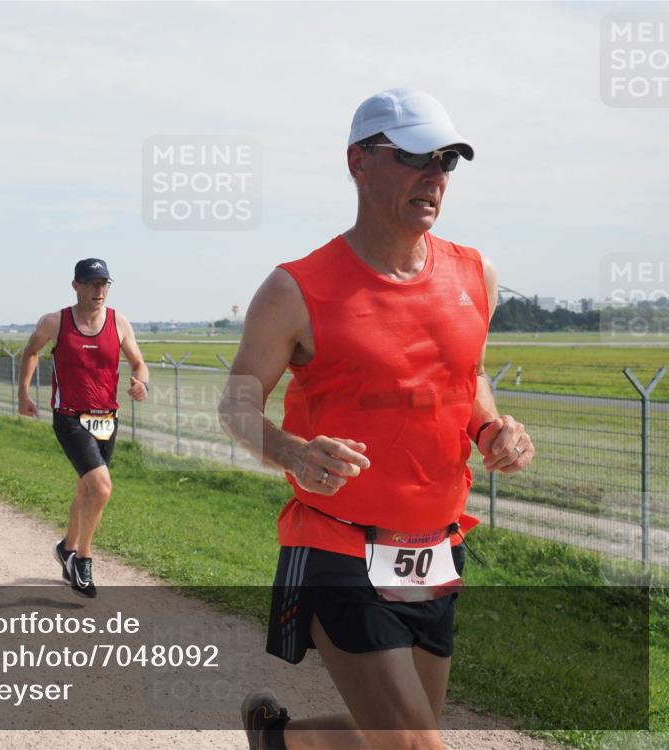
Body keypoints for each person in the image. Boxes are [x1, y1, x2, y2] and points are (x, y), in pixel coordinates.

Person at [218, 88, 535, 750]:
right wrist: (291, 450)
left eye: (447, 159)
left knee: (400, 733)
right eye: (416, 156)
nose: (435, 175)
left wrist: (492, 430)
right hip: (338, 542)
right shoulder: (296, 289)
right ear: (358, 162)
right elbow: (236, 404)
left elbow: (465, 377)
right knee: (417, 745)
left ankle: (281, 742)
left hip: (435, 545)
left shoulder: (478, 275)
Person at [17, 258, 149, 598]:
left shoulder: (118, 321)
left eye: (104, 284)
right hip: (70, 417)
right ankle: (83, 559)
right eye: (92, 283)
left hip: (107, 419)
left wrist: (141, 382)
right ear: (75, 285)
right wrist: (23, 394)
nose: (99, 290)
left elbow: (138, 362)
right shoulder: (55, 322)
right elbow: (31, 352)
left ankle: (66, 548)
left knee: (86, 490)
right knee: (102, 489)